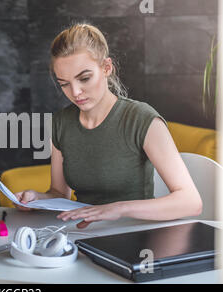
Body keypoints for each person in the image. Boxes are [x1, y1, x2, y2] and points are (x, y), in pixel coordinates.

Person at [15, 23, 202, 229]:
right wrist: (36, 198)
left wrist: (118, 208)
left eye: (84, 78)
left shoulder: (141, 118)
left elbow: (191, 202)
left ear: (106, 68)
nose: (75, 92)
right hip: (81, 234)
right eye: (64, 84)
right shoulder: (61, 122)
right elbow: (59, 194)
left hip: (134, 236)